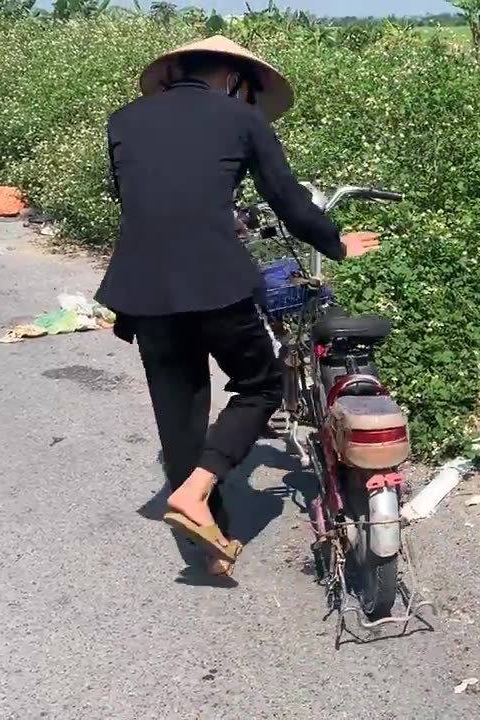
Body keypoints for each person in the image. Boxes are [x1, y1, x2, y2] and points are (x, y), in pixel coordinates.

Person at [95, 36, 379, 577]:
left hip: (143, 287)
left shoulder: (123, 120)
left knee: (180, 414)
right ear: (232, 78)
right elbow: (289, 200)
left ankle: (214, 543)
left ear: (174, 71)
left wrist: (218, 215)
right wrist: (337, 244)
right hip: (213, 281)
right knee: (261, 385)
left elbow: (143, 196)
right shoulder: (242, 119)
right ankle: (196, 488)